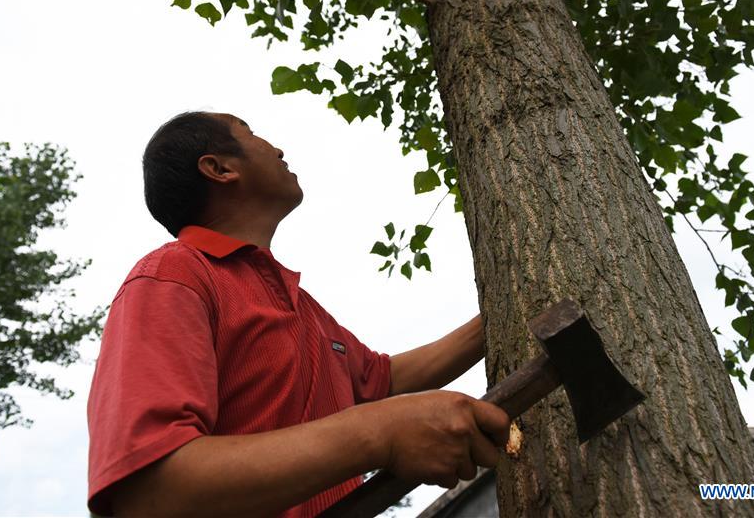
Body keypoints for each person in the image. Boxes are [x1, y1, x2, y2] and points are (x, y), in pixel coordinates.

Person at [86, 111, 510, 517]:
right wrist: (378, 433)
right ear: (219, 168)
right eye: (250, 132)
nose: (278, 148)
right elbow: (147, 492)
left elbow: (385, 378)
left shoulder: (302, 307)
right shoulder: (172, 276)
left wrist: (500, 315)